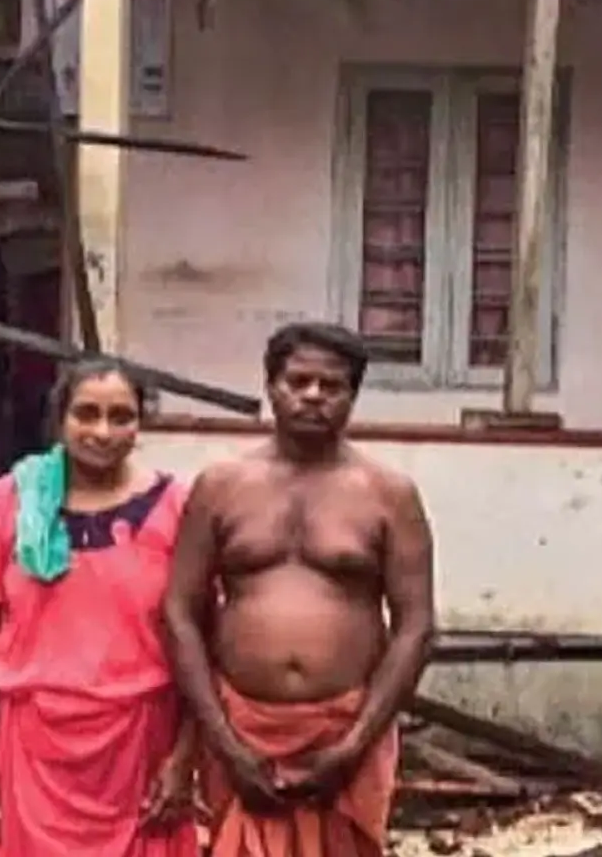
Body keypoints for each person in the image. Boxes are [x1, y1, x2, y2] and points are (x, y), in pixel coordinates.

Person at [163, 322, 437, 857]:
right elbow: (179, 612)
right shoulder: (221, 486)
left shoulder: (389, 495)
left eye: (330, 386)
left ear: (352, 396)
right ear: (271, 386)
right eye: (298, 380)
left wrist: (354, 746)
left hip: (346, 729)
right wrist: (223, 741)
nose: (312, 395)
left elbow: (417, 627)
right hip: (239, 727)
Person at [0, 357, 202, 857]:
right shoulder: (14, 501)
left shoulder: (177, 507)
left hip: (139, 750)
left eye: (121, 417)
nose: (102, 432)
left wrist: (185, 756)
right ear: (59, 419)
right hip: (31, 751)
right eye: (86, 414)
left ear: (141, 423)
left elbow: (204, 638)